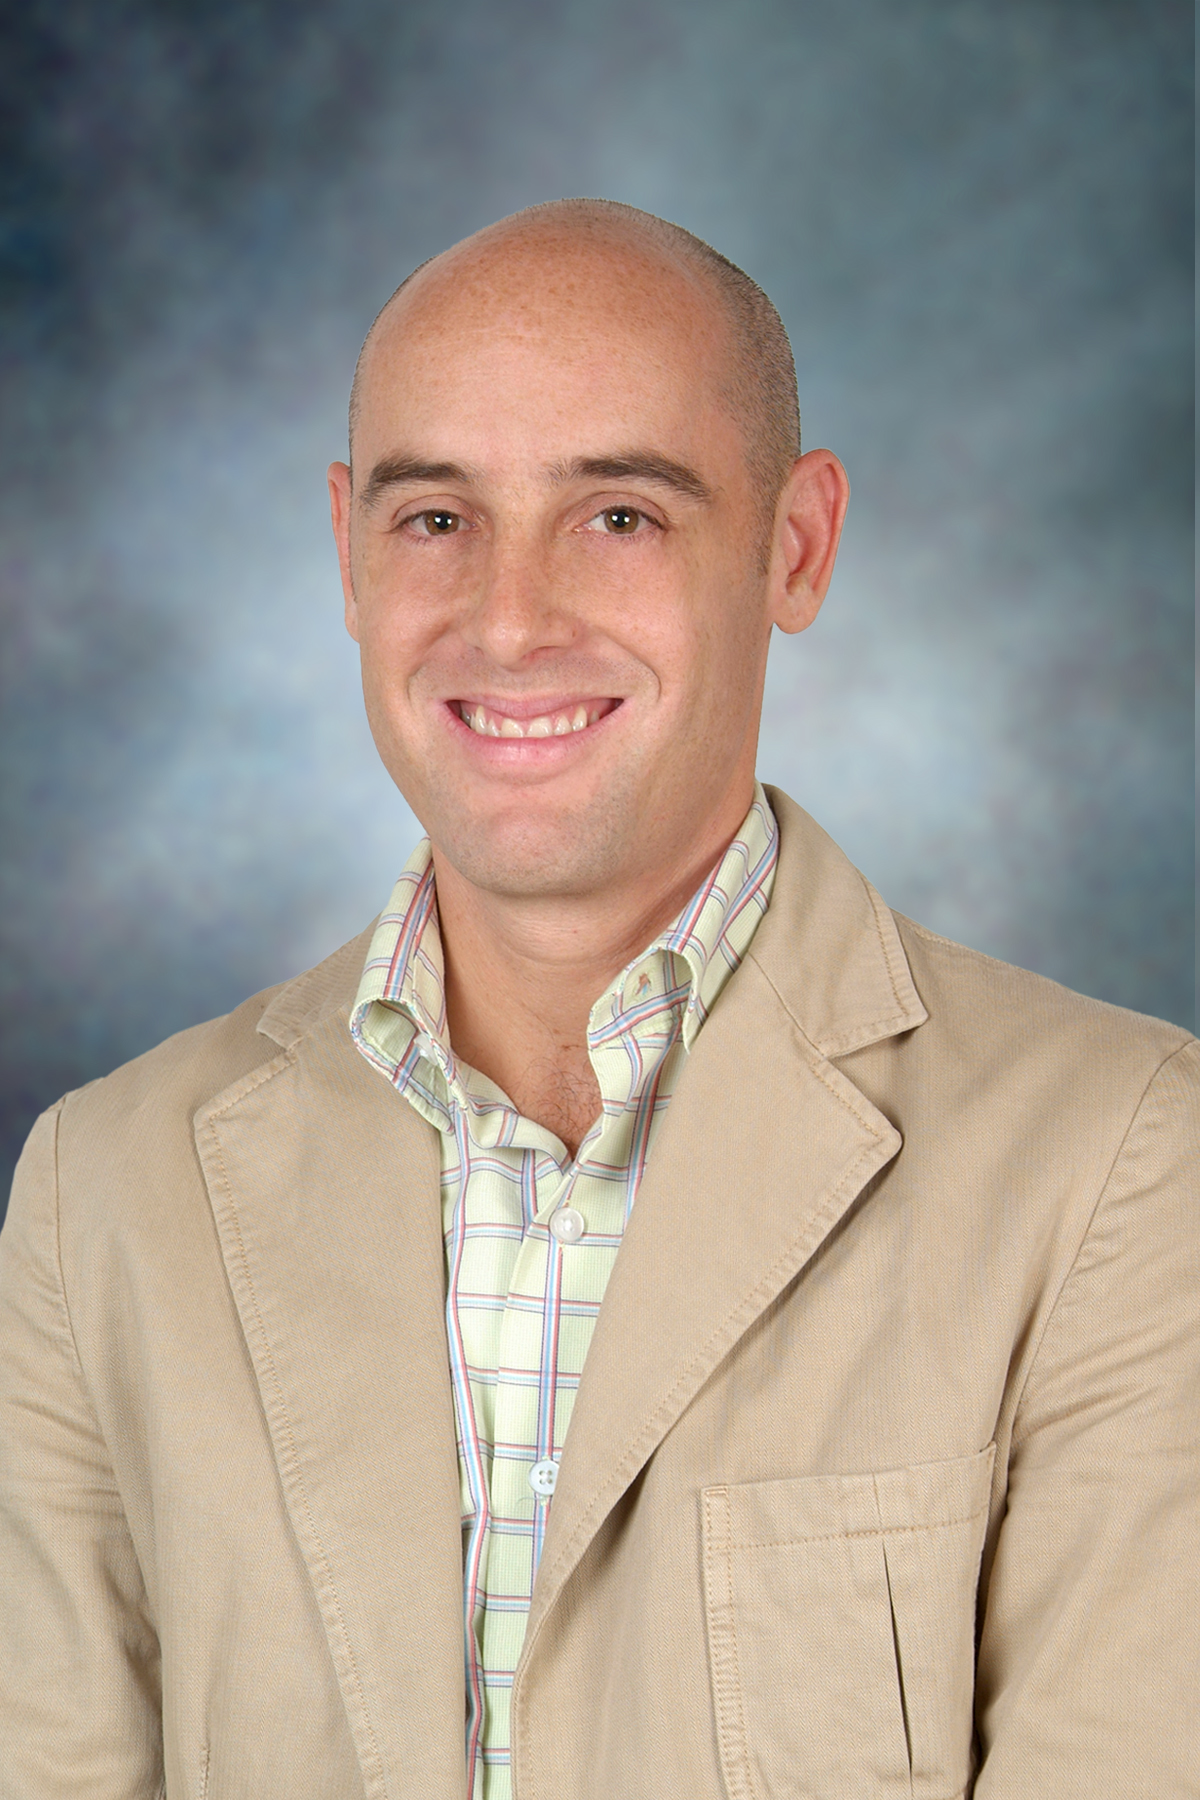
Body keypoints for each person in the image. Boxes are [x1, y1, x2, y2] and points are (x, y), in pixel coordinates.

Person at [0, 199, 1195, 1800]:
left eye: (619, 515)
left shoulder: (1125, 1166)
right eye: (438, 518)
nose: (509, 619)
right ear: (347, 549)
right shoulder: (99, 1195)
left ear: (796, 545)